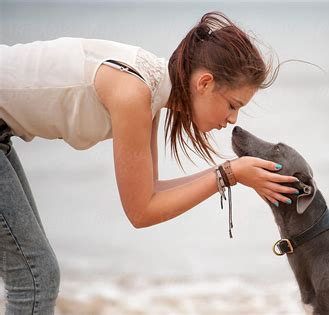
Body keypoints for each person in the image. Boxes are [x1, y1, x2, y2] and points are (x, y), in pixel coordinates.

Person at [0, 11, 300, 314]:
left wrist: (228, 174)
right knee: (37, 278)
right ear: (205, 83)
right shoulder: (134, 94)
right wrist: (228, 174)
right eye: (233, 105)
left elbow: (150, 192)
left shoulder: (151, 87)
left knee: (36, 275)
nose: (233, 119)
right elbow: (140, 212)